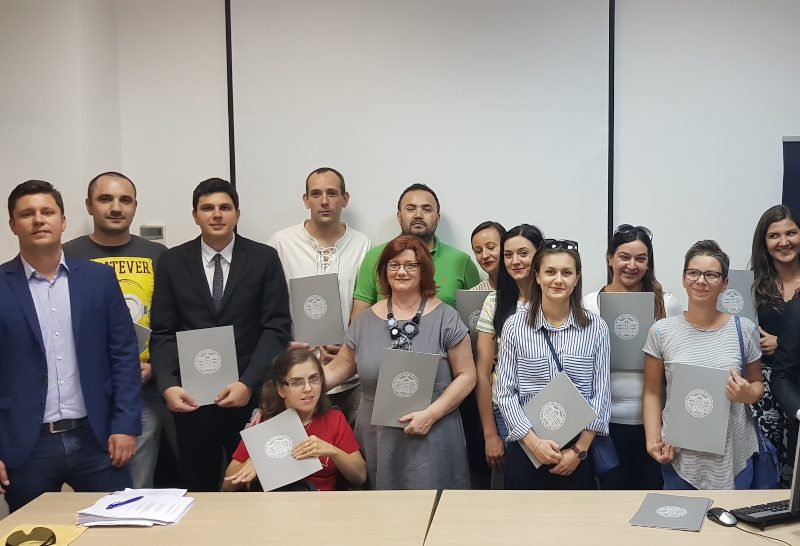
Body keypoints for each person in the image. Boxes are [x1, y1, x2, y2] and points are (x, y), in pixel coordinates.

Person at [0, 180, 141, 512]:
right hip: (26, 445)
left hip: (98, 438)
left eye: (47, 212)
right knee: (34, 532)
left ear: (63, 221)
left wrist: (125, 425)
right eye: (27, 214)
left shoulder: (99, 280)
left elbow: (123, 355)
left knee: (120, 528)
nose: (38, 220)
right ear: (12, 225)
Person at [149, 178, 292, 491]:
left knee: (256, 485)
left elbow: (277, 327)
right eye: (207, 208)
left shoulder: (264, 258)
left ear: (237, 214)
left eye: (225, 207)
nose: (216, 214)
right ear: (195, 215)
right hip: (191, 401)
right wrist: (168, 385)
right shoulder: (172, 261)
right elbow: (162, 332)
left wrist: (248, 383)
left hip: (250, 396)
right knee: (198, 488)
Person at [324, 235, 476, 489]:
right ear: (384, 271)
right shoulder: (364, 321)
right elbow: (337, 369)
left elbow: (467, 376)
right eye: (394, 265)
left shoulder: (446, 318)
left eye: (410, 265)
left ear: (423, 270)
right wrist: (286, 393)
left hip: (433, 434)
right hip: (377, 438)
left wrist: (430, 415)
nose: (401, 271)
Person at [63, 171, 168, 489]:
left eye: (125, 200)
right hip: (85, 394)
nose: (116, 207)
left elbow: (172, 322)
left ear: (135, 206)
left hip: (143, 392)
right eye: (105, 199)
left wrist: (156, 366)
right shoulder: (67, 255)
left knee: (137, 490)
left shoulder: (159, 255)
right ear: (89, 205)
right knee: (93, 491)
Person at [643, 240, 764, 490]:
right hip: (680, 457)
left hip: (734, 456)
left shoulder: (744, 330)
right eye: (694, 273)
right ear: (684, 278)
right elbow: (652, 392)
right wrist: (652, 440)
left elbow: (757, 385)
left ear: (725, 283)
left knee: (735, 517)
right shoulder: (661, 332)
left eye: (711, 275)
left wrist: (747, 393)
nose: (701, 281)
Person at [495, 239, 610, 490]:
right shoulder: (515, 327)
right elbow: (505, 393)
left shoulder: (596, 328)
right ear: (537, 276)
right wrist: (534, 444)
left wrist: (579, 451)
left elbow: (600, 394)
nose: (558, 280)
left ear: (577, 278)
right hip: (526, 446)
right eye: (550, 272)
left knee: (575, 516)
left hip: (576, 451)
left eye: (566, 273)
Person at [581, 224, 682, 490]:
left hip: (655, 424)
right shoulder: (589, 304)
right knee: (611, 500)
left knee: (651, 495)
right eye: (624, 257)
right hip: (604, 423)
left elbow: (679, 364)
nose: (632, 265)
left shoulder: (666, 303)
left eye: (641, 258)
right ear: (610, 258)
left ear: (649, 263)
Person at [268, 167, 370, 427]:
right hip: (296, 377)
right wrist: (283, 343)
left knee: (351, 448)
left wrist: (349, 347)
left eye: (332, 193)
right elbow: (269, 306)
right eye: (316, 194)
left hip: (349, 377)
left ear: (345, 199)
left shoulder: (363, 245)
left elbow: (367, 306)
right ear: (306, 200)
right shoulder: (281, 243)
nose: (324, 201)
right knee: (302, 449)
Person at [223, 349, 366, 491]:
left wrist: (332, 451)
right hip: (277, 502)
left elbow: (360, 476)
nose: (308, 388)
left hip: (321, 501)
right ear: (281, 389)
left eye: (314, 379)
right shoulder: (264, 423)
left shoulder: (334, 419)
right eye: (296, 382)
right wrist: (258, 464)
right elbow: (227, 487)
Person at [474, 224, 544, 488]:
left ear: (539, 255)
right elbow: (482, 372)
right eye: (508, 254)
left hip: (548, 408)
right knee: (509, 494)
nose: (515, 261)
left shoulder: (556, 298)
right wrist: (490, 434)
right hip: (504, 411)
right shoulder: (495, 302)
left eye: (524, 253)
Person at [350, 183, 481, 319]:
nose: (418, 215)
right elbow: (358, 320)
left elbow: (475, 321)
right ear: (399, 217)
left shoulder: (461, 262)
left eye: (427, 209)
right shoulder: (376, 257)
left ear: (437, 218)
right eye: (411, 209)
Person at [750, 205, 800, 485]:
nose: (784, 242)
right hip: (764, 389)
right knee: (767, 465)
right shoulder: (751, 286)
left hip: (797, 382)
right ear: (764, 242)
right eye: (774, 236)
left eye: (791, 233)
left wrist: (781, 343)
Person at [470, 221, 506, 291]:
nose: (484, 256)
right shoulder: (474, 293)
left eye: (490, 247)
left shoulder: (525, 287)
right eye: (478, 251)